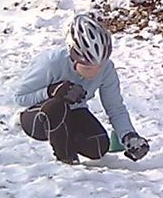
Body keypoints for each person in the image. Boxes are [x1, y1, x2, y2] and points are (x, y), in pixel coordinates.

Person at [15, 13, 150, 165]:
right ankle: (66, 160)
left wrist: (129, 136)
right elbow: (20, 97)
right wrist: (51, 91)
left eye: (99, 65)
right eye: (87, 66)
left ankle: (65, 138)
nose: (95, 71)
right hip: (40, 116)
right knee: (56, 107)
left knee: (98, 147)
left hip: (74, 112)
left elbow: (115, 107)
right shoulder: (51, 63)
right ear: (74, 58)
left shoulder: (107, 69)